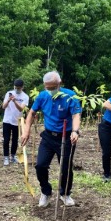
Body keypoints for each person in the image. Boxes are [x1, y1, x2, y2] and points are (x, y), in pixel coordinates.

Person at [21, 71, 81, 207]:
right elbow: (31, 113)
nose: (50, 90)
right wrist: (26, 130)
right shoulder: (42, 96)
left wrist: (75, 131)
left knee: (65, 167)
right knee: (40, 165)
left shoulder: (70, 96)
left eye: (53, 87)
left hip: (65, 137)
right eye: (48, 88)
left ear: (59, 84)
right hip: (48, 136)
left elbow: (76, 115)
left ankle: (65, 193)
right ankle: (46, 192)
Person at [2, 79, 29, 166]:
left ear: (22, 87)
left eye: (18, 88)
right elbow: (3, 106)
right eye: (15, 88)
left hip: (17, 121)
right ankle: (6, 157)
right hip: (7, 120)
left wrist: (14, 101)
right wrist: (9, 100)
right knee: (6, 139)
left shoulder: (25, 97)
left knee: (15, 140)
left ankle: (13, 156)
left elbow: (21, 108)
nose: (17, 89)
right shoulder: (8, 93)